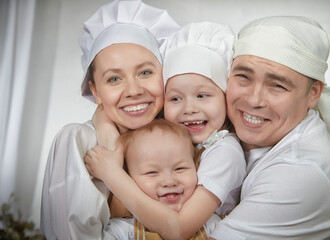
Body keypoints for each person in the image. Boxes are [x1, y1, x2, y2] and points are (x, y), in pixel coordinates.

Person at [85, 22, 246, 239]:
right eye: (175, 98)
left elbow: (178, 230)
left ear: (225, 97)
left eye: (202, 96)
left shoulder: (225, 151)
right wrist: (107, 132)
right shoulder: (174, 135)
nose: (189, 109)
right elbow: (103, 111)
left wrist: (111, 173)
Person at [208, 16, 330, 239]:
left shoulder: (302, 170)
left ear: (313, 93)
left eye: (277, 85)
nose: (253, 100)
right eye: (243, 76)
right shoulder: (220, 126)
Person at [40, 0, 179, 239]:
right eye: (114, 79)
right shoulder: (77, 141)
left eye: (145, 72)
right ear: (95, 91)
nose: (133, 90)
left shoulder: (183, 137)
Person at [99, 119, 221, 239]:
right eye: (152, 172)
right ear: (128, 178)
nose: (169, 182)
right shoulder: (122, 231)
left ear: (196, 168)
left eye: (180, 168)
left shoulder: (212, 225)